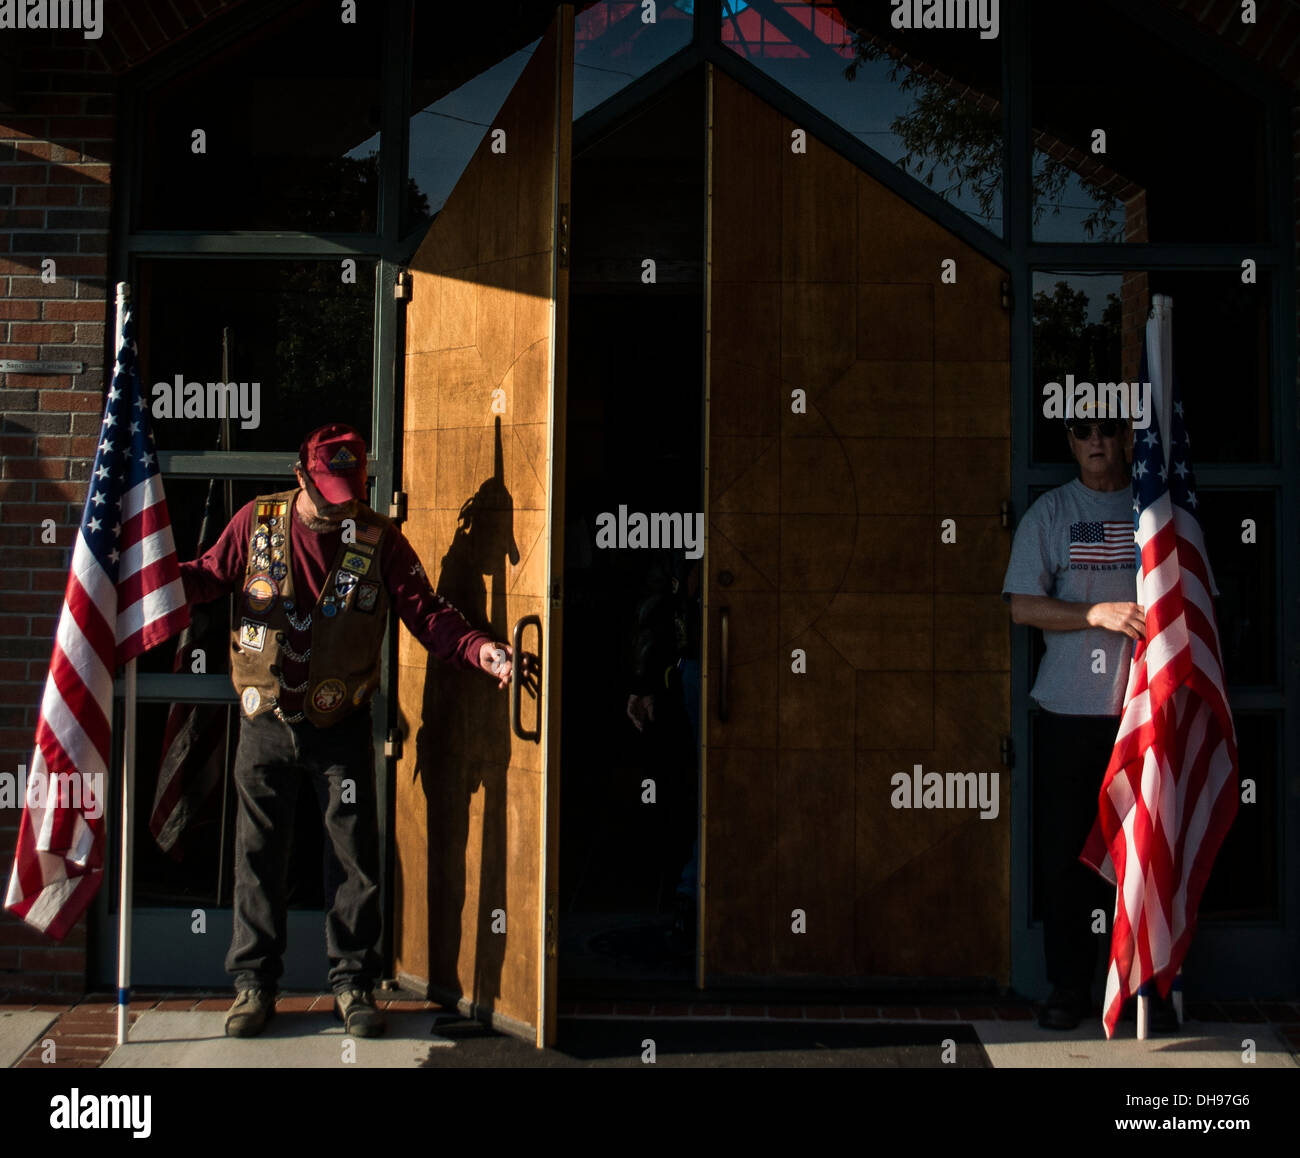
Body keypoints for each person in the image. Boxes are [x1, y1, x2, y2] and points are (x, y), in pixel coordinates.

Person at [178, 423, 515, 1039]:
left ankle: (353, 984)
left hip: (340, 725)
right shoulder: (257, 521)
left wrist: (478, 649)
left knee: (352, 857)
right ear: (301, 476)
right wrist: (150, 580)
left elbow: (427, 611)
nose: (341, 509)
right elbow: (206, 576)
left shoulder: (379, 537)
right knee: (257, 855)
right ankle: (254, 984)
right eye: (330, 493)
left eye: (351, 494)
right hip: (265, 719)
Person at [1001, 409, 1175, 1032]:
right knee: (1069, 859)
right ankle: (1070, 988)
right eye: (1082, 431)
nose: (1096, 441)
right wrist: (1093, 613)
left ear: (1128, 437)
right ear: (1069, 441)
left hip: (1142, 714)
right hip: (1069, 714)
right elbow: (1022, 605)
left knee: (1145, 852)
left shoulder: (1155, 506)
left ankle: (1143, 988)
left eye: (1107, 429)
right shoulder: (1049, 514)